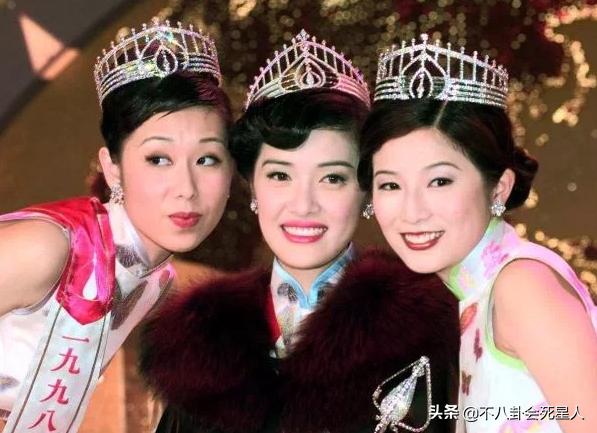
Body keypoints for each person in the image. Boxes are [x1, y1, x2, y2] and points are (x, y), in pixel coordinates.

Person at [140, 30, 459, 433]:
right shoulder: (198, 344)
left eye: (332, 178)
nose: (303, 204)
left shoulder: (425, 328)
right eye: (280, 176)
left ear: (366, 190)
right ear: (252, 187)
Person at [0, 20, 234, 432]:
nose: (187, 188)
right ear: (113, 169)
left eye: (207, 159)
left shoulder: (152, 278)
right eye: (158, 159)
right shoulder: (49, 247)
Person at [358, 34, 597, 433]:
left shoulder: (522, 287)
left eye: (439, 181)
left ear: (499, 188)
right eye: (390, 185)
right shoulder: (477, 296)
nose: (412, 212)